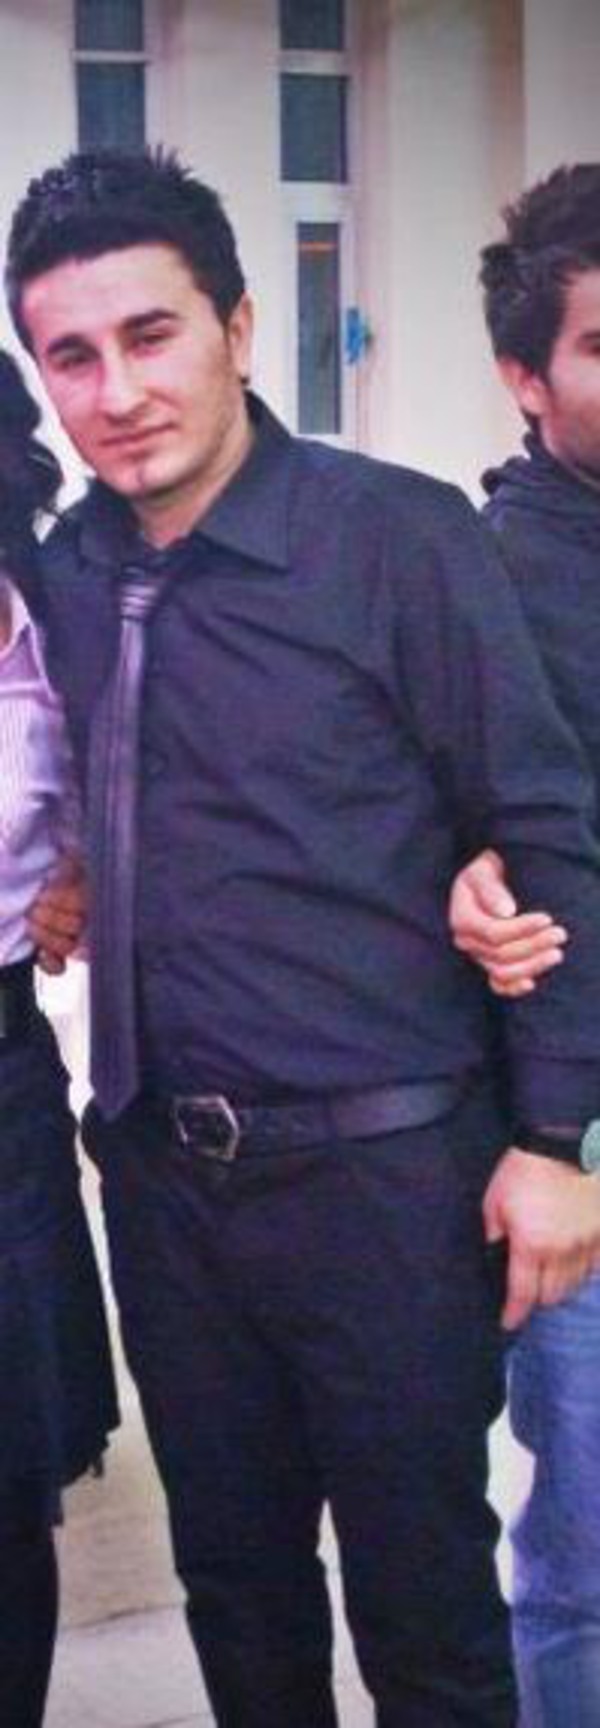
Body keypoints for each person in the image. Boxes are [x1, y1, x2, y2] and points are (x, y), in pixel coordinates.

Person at [7, 149, 600, 1728]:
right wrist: (73, 867)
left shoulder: (398, 539)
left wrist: (552, 1138)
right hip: (163, 1184)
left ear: (238, 326)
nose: (118, 390)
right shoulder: (65, 577)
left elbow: (540, 825)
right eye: (73, 355)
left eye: (152, 335)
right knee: (239, 1595)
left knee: (428, 1615)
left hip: (385, 1182)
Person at [449, 163, 600, 1728]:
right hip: (585, 1143)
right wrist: (455, 878)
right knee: (593, 1570)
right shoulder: (485, 580)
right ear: (526, 377)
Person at [0, 347, 119, 1728]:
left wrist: (81, 869)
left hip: (4, 1071)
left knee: (9, 1469)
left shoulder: (55, 614)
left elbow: (108, 779)